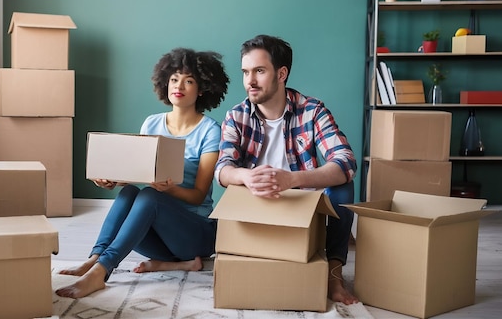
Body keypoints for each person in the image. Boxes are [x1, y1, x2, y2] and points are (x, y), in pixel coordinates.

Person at [55, 48, 229, 299]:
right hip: (161, 241)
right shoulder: (152, 123)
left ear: (202, 89)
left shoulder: (210, 130)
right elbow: (140, 171)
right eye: (174, 79)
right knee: (129, 192)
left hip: (196, 234)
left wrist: (168, 188)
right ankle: (93, 259)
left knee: (150, 196)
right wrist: (114, 180)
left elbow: (199, 196)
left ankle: (100, 272)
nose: (179, 85)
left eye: (189, 80)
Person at [215, 34, 359, 305]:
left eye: (259, 71)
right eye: (245, 72)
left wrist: (292, 179)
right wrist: (245, 175)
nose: (250, 81)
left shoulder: (312, 111)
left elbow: (345, 160)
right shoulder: (236, 116)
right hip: (256, 202)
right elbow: (222, 169)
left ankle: (333, 275)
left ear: (282, 73)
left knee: (343, 186)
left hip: (300, 206)